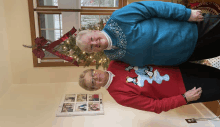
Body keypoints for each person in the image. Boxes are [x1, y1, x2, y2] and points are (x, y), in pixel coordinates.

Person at [76, 1, 220, 67]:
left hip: (190, 30)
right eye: (91, 47)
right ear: (92, 52)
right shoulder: (112, 56)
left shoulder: (118, 18)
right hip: (187, 55)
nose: (95, 43)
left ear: (94, 31)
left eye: (92, 39)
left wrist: (186, 13)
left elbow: (152, 7)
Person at [78, 60, 220, 114]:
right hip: (186, 89)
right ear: (95, 88)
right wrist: (184, 98)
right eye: (93, 82)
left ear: (94, 69)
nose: (96, 77)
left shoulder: (115, 62)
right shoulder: (120, 97)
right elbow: (155, 106)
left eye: (92, 73)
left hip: (182, 68)